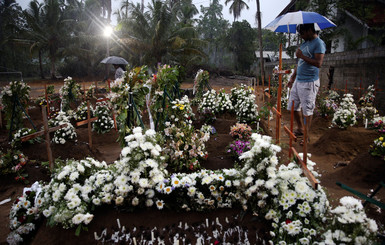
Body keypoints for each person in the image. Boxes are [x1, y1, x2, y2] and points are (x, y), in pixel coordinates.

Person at [287, 23, 326, 145]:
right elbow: (300, 64)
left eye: (302, 33)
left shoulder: (319, 43)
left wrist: (302, 56)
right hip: (298, 80)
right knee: (292, 107)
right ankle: (300, 129)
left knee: (307, 110)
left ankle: (306, 136)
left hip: (309, 82)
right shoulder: (305, 43)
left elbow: (319, 63)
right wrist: (292, 77)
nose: (301, 36)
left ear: (309, 30)